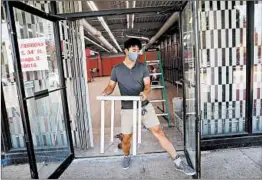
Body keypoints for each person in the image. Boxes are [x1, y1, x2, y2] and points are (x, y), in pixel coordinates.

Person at [101, 38, 195, 175]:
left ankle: (178, 162)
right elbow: (110, 86)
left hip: (144, 107)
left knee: (159, 132)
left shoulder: (142, 67)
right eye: (133, 50)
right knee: (126, 139)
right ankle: (126, 156)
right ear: (125, 51)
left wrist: (145, 93)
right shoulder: (117, 69)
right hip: (127, 109)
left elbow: (147, 85)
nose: (136, 53)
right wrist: (104, 93)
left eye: (138, 51)